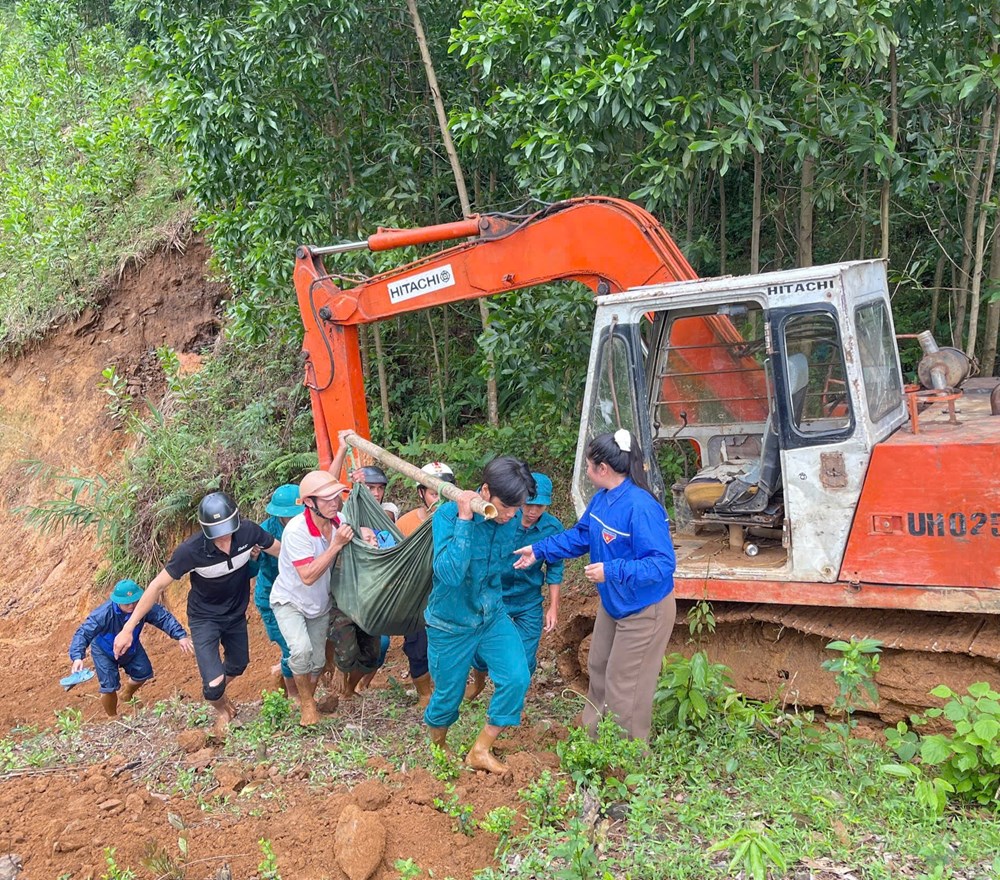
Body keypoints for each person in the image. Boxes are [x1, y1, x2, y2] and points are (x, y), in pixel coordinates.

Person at [513, 430, 676, 742]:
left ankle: (626, 757)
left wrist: (612, 570)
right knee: (598, 664)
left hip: (644, 609)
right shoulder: (603, 501)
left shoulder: (640, 507)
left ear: (604, 469)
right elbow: (580, 536)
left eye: (589, 466)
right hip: (615, 603)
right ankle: (593, 740)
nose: (587, 472)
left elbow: (662, 564)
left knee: (624, 681)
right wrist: (539, 550)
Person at [112, 491, 281, 737]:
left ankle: (220, 691)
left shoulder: (249, 533)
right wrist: (128, 629)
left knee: (239, 665)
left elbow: (281, 551)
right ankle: (222, 709)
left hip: (236, 613)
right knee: (212, 688)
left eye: (227, 528)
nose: (223, 537)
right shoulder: (190, 551)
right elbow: (157, 586)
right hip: (205, 618)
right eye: (216, 532)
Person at [424, 456, 536, 773]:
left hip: (490, 615)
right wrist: (463, 519)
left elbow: (496, 564)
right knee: (448, 697)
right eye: (506, 507)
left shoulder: (510, 519)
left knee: (517, 676)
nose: (513, 516)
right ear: (485, 492)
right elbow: (449, 573)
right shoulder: (447, 517)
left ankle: (480, 750)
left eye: (517, 508)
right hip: (450, 622)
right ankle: (439, 747)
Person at [466, 472, 564, 700]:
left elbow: (555, 567)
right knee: (480, 652)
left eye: (540, 506)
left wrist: (553, 607)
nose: (532, 511)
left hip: (528, 600)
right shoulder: (502, 519)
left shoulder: (552, 529)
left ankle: (510, 702)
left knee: (526, 658)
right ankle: (478, 681)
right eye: (529, 504)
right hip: (495, 597)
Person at [271, 470, 354, 725]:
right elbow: (307, 575)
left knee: (317, 662)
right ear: (309, 502)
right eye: (326, 498)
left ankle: (309, 699)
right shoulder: (296, 531)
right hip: (290, 601)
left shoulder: (339, 521)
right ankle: (307, 705)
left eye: (336, 496)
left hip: (319, 604)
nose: (334, 502)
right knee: (301, 651)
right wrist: (336, 545)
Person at [70, 579, 193, 717]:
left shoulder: (143, 607)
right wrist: (77, 657)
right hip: (103, 650)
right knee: (109, 687)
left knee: (143, 672)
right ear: (117, 601)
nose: (132, 605)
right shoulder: (103, 613)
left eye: (135, 601)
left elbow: (163, 617)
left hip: (130, 646)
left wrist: (180, 635)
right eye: (127, 603)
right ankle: (112, 716)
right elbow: (83, 632)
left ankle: (127, 694)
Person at [392, 461, 457, 708]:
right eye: (433, 492)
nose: (439, 497)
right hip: (415, 597)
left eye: (445, 490)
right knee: (417, 646)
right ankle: (424, 694)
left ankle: (445, 693)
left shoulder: (460, 521)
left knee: (447, 645)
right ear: (421, 493)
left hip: (448, 595)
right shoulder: (406, 523)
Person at [253, 484, 304, 700]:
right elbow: (253, 570)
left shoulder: (308, 525)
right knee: (289, 647)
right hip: (271, 598)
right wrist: (253, 557)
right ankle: (293, 694)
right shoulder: (264, 533)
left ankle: (286, 677)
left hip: (301, 595)